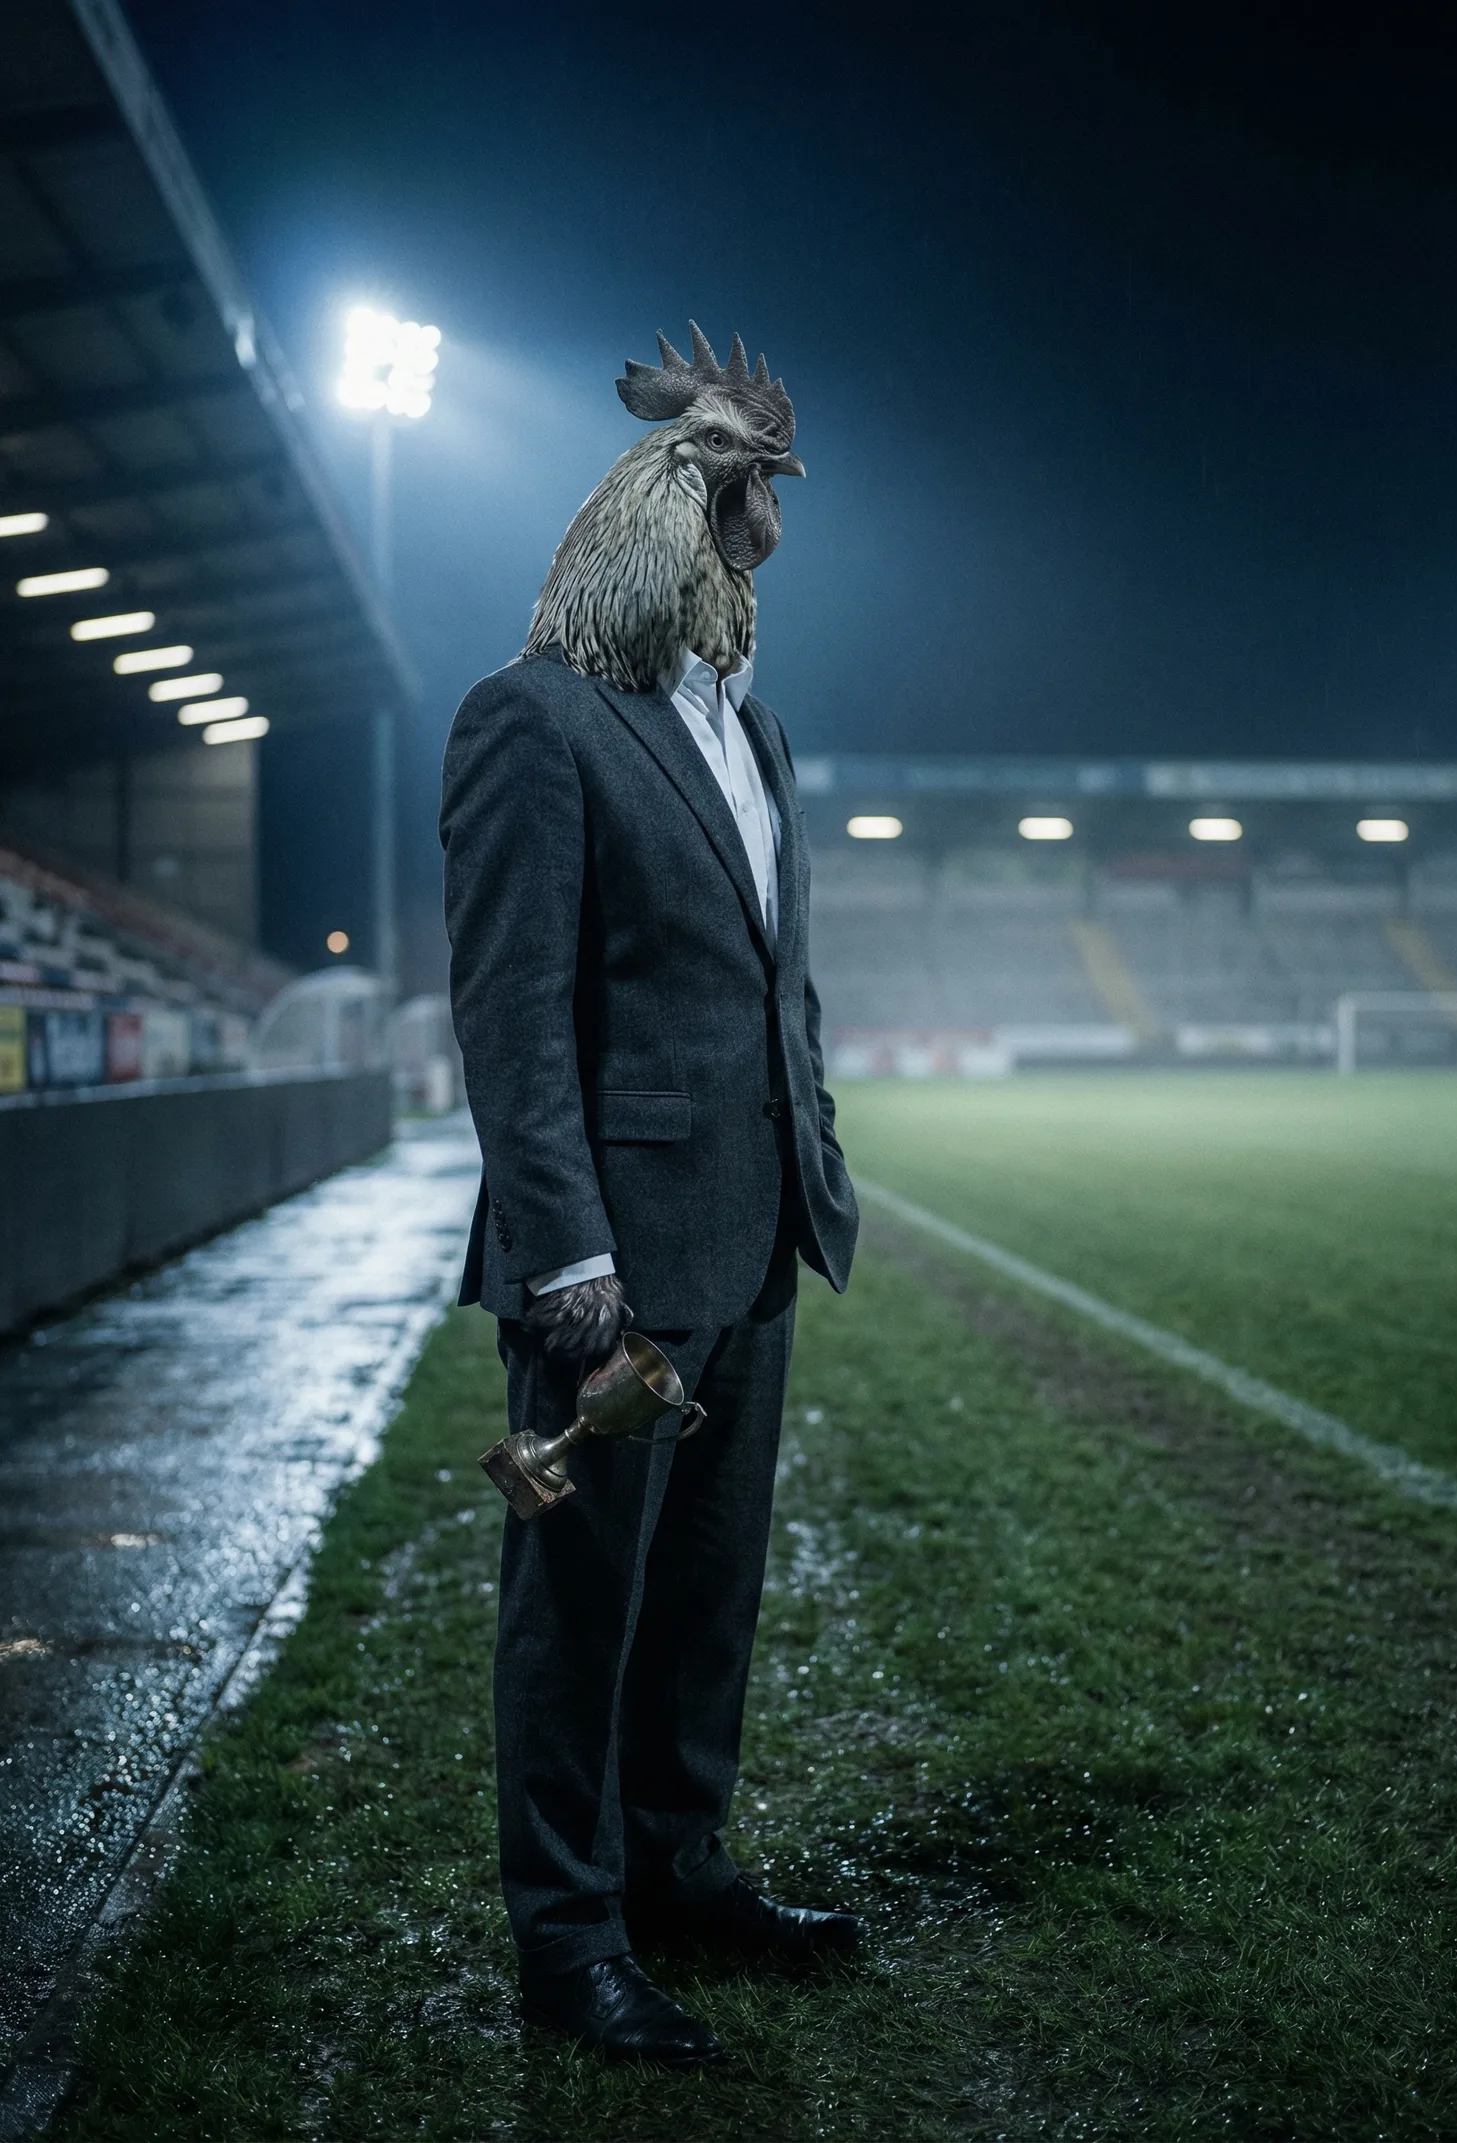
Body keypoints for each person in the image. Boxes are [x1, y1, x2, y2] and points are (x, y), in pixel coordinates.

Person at [441, 323, 859, 2067]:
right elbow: (511, 1009)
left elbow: (778, 989)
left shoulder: (748, 729)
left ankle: (680, 1868)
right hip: (613, 1269)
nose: (775, 518)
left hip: (751, 1240)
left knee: (704, 1600)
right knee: (580, 1612)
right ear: (674, 513)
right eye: (753, 488)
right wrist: (571, 1256)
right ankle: (569, 1938)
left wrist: (810, 1162)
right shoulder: (533, 720)